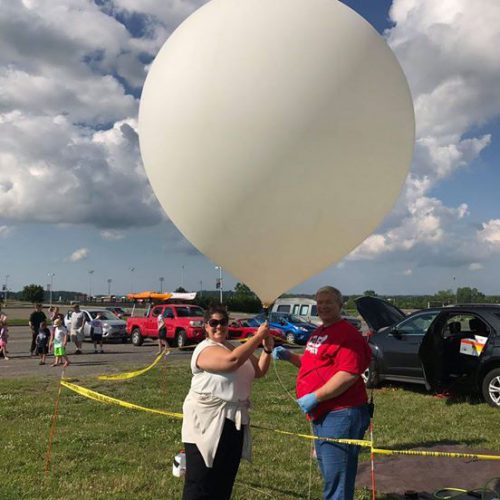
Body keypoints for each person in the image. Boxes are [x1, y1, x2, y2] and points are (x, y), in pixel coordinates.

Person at [273, 286, 372, 500]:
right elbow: (313, 365)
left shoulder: (348, 334)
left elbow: (348, 374)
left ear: (340, 305)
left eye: (329, 302)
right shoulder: (319, 332)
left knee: (338, 477)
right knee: (329, 472)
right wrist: (290, 356)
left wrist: (315, 396)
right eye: (320, 302)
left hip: (341, 413)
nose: (323, 306)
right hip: (322, 412)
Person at [181, 304, 274, 500]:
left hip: (233, 423)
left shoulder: (232, 346)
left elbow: (258, 371)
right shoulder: (204, 349)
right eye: (213, 323)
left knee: (224, 480)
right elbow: (229, 362)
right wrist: (256, 337)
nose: (218, 327)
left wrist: (266, 348)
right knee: (201, 481)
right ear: (206, 326)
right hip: (206, 423)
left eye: (222, 322)